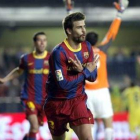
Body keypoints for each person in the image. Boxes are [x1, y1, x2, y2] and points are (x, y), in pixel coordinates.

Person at [44, 12, 99, 140]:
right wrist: (84, 72)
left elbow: (93, 76)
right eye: (79, 27)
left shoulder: (87, 47)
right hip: (56, 103)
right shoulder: (59, 53)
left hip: (77, 100)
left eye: (84, 26)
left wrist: (83, 70)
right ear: (69, 30)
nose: (84, 30)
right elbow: (63, 85)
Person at [85, 0, 129, 139]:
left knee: (89, 124)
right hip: (102, 90)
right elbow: (111, 34)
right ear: (97, 41)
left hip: (86, 92)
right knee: (107, 123)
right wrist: (119, 14)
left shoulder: (80, 52)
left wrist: (69, 12)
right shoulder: (102, 50)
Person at [0, 32, 50, 140]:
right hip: (29, 98)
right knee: (35, 125)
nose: (42, 43)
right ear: (35, 43)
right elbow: (18, 71)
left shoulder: (51, 59)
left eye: (44, 40)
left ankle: (26, 138)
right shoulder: (26, 58)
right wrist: (5, 79)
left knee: (36, 128)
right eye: (39, 40)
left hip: (44, 100)